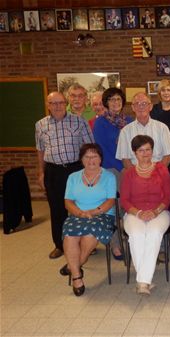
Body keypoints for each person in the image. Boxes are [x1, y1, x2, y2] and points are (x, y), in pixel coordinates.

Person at [35, 91, 94, 259]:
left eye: (61, 102)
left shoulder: (79, 121)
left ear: (65, 103)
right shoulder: (40, 125)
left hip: (76, 170)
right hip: (53, 171)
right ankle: (59, 245)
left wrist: (91, 171)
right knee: (57, 208)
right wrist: (41, 172)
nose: (58, 106)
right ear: (48, 105)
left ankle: (86, 243)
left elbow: (90, 147)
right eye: (53, 103)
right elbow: (40, 150)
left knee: (81, 207)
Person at [60, 144, 116, 296]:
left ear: (100, 159)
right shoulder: (73, 177)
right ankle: (77, 277)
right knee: (70, 235)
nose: (91, 160)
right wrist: (79, 213)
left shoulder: (109, 176)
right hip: (78, 214)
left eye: (95, 156)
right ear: (81, 159)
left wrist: (94, 211)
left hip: (102, 215)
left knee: (91, 233)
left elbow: (111, 200)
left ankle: (74, 266)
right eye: (87, 156)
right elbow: (68, 202)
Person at [120, 135, 170, 294]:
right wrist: (139, 213)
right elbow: (124, 200)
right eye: (141, 150)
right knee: (136, 235)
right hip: (135, 213)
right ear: (134, 153)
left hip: (160, 212)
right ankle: (144, 281)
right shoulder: (128, 173)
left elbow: (168, 196)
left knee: (153, 233)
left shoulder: (162, 169)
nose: (145, 153)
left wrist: (155, 211)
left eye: (148, 149)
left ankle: (142, 281)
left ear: (152, 150)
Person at [93, 88, 133, 259]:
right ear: (106, 103)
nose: (116, 103)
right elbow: (102, 149)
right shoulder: (101, 123)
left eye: (118, 99)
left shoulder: (130, 120)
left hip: (129, 168)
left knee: (130, 206)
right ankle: (115, 244)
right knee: (114, 208)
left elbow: (133, 146)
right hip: (111, 169)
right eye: (111, 100)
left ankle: (133, 239)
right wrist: (121, 166)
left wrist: (128, 166)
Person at [116, 92, 170, 169]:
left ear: (150, 106)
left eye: (144, 103)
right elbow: (125, 159)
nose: (141, 107)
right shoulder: (125, 131)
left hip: (158, 173)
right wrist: (138, 175)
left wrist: (156, 173)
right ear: (133, 107)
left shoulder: (162, 128)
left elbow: (168, 156)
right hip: (135, 175)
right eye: (137, 104)